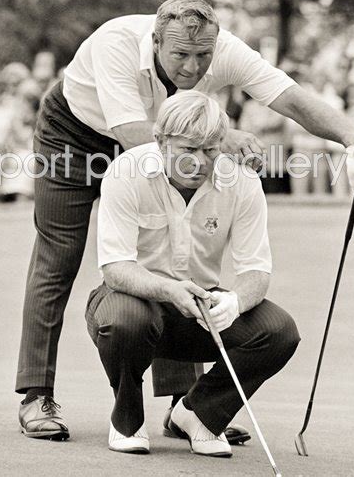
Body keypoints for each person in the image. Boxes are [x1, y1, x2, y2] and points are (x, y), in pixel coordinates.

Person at [16, 0, 354, 440]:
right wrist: (216, 137)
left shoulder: (226, 49)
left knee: (170, 243)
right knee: (59, 254)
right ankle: (35, 394)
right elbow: (135, 137)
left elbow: (291, 99)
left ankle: (187, 407)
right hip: (74, 136)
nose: (192, 68)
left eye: (203, 56)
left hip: (172, 141)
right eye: (180, 54)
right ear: (156, 40)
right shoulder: (116, 44)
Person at [85, 91, 300, 455]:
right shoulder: (127, 171)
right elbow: (116, 269)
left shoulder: (241, 180)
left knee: (278, 332)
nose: (201, 162)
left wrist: (234, 301)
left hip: (202, 306)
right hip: (134, 299)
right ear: (160, 141)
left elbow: (256, 270)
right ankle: (127, 417)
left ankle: (198, 413)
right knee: (125, 319)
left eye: (212, 150)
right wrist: (170, 291)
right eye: (188, 150)